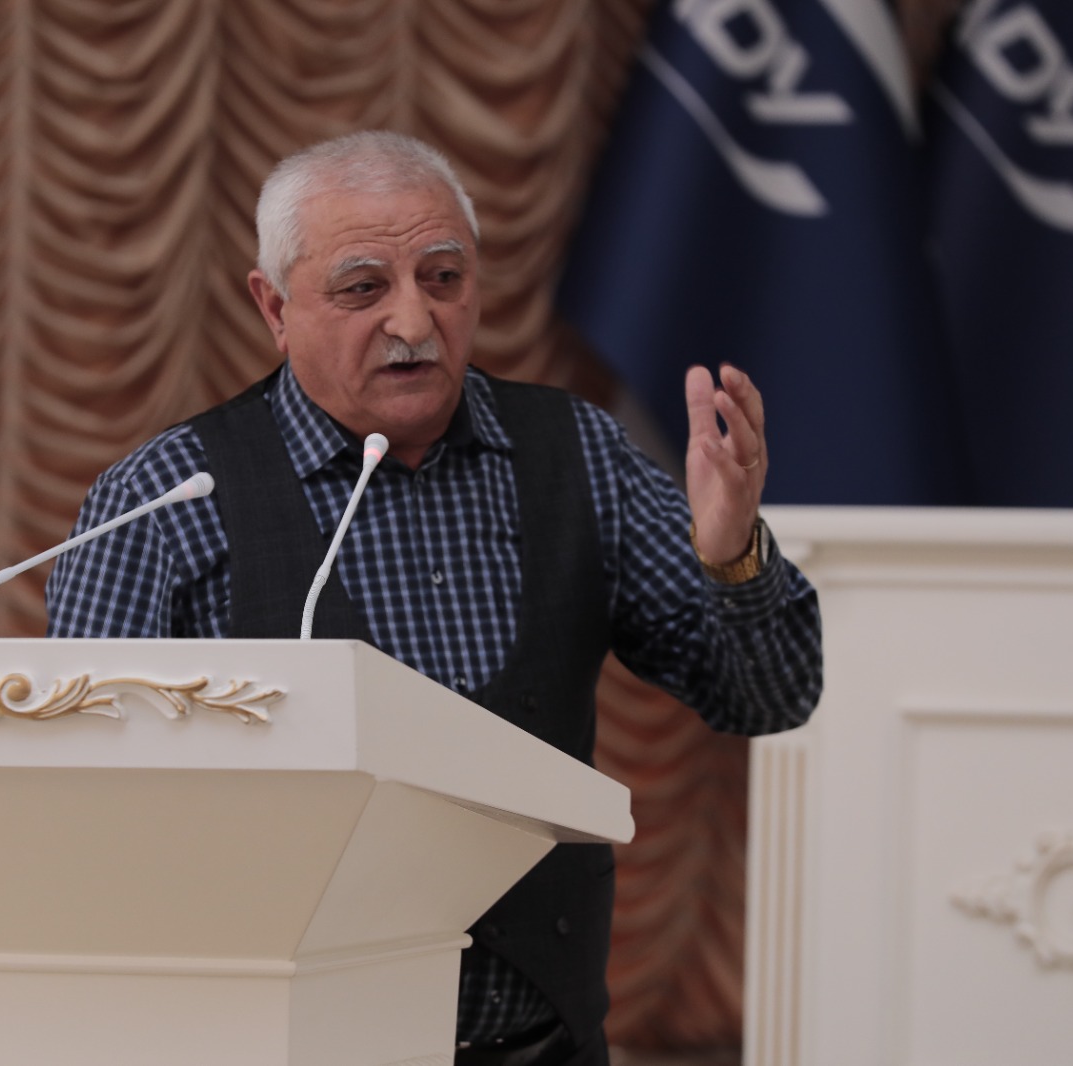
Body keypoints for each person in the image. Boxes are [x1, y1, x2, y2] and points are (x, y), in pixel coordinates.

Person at [46, 130, 822, 1066]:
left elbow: (771, 697)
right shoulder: (167, 499)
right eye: (363, 288)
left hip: (540, 1042)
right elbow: (80, 813)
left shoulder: (577, 456)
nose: (413, 321)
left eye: (443, 278)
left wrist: (733, 555)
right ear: (274, 307)